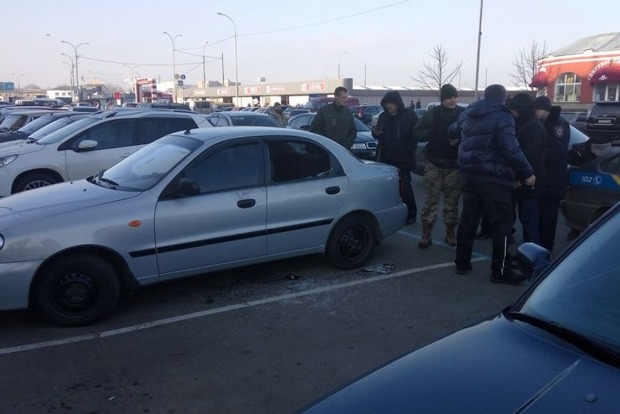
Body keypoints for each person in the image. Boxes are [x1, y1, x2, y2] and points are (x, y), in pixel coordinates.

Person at [451, 84, 535, 284]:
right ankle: (501, 270)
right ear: (502, 98)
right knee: (503, 224)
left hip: (470, 174)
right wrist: (527, 173)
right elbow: (511, 149)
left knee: (468, 220)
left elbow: (452, 131)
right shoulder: (502, 116)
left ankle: (462, 262)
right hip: (494, 177)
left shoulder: (468, 113)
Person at [414, 84, 465, 248]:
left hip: (454, 166)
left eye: (455, 96)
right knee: (430, 201)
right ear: (442, 99)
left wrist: (460, 139)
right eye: (449, 97)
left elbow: (471, 133)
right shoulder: (433, 113)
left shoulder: (462, 115)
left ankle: (450, 232)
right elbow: (417, 132)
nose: (453, 100)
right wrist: (432, 133)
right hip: (434, 163)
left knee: (452, 202)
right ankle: (426, 234)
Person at [372, 91, 419, 224]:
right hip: (386, 160)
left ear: (398, 103)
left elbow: (416, 134)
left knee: (406, 189)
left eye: (391, 104)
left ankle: (411, 214)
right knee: (388, 189)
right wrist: (376, 133)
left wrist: (410, 150)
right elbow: (377, 134)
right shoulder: (383, 117)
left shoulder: (409, 115)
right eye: (386, 104)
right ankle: (392, 214)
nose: (388, 106)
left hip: (404, 159)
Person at [506, 93, 547, 245]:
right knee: (526, 219)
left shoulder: (532, 127)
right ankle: (528, 255)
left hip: (530, 181)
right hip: (526, 180)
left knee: (529, 221)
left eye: (514, 110)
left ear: (519, 109)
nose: (512, 113)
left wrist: (520, 179)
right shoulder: (526, 124)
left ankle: (532, 260)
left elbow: (530, 156)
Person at [534, 96, 570, 251]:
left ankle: (546, 246)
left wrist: (536, 154)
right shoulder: (546, 122)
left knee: (548, 215)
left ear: (544, 109)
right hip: (546, 177)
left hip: (553, 178)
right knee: (541, 214)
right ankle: (540, 244)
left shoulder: (558, 124)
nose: (534, 113)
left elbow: (557, 151)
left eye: (536, 109)